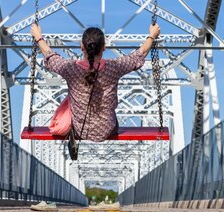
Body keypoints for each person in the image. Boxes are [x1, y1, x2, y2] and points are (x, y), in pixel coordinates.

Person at [30, 22, 161, 159]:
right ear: (104, 47)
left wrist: (38, 37)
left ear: (82, 47)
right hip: (107, 129)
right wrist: (152, 36)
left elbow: (51, 57)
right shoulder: (114, 67)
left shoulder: (70, 68)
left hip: (80, 129)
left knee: (71, 100)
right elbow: (138, 56)